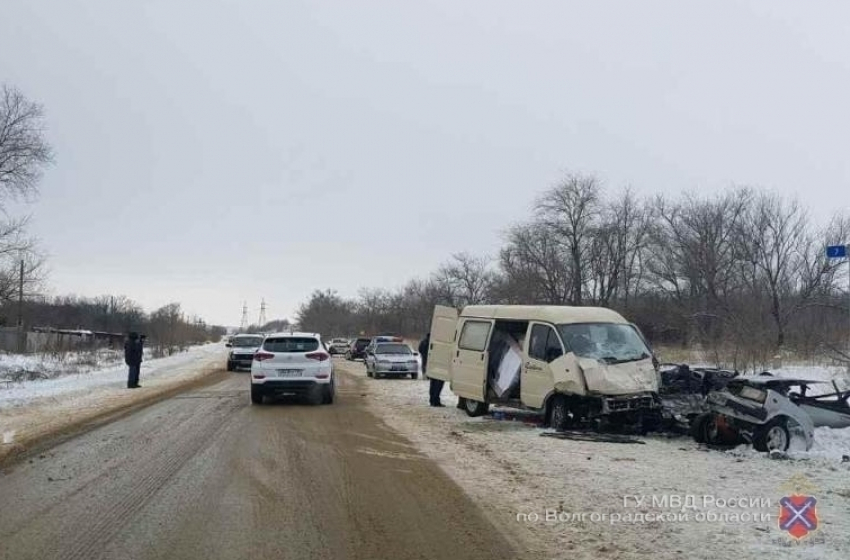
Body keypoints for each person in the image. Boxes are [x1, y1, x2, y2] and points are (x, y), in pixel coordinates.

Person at [419, 332, 444, 407]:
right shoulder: (435, 342)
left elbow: (420, 349)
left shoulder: (424, 341)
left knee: (433, 383)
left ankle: (432, 400)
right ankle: (436, 401)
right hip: (436, 363)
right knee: (438, 383)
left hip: (428, 363)